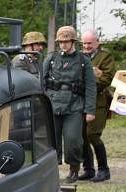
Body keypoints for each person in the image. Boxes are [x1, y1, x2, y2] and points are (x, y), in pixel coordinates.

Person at [43, 26, 96, 183]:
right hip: (53, 104)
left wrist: (90, 110)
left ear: (73, 41)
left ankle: (74, 169)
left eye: (66, 41)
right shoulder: (51, 58)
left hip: (74, 106)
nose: (63, 45)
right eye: (61, 42)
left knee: (73, 140)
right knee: (51, 141)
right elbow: (41, 81)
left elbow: (90, 86)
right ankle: (52, 170)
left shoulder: (82, 61)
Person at [80, 30, 116, 182]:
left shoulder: (105, 56)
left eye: (90, 43)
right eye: (84, 43)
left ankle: (104, 169)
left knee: (92, 134)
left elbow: (107, 79)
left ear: (97, 42)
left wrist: (87, 83)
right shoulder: (79, 56)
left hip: (97, 102)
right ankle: (88, 169)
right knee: (81, 136)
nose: (87, 46)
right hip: (80, 101)